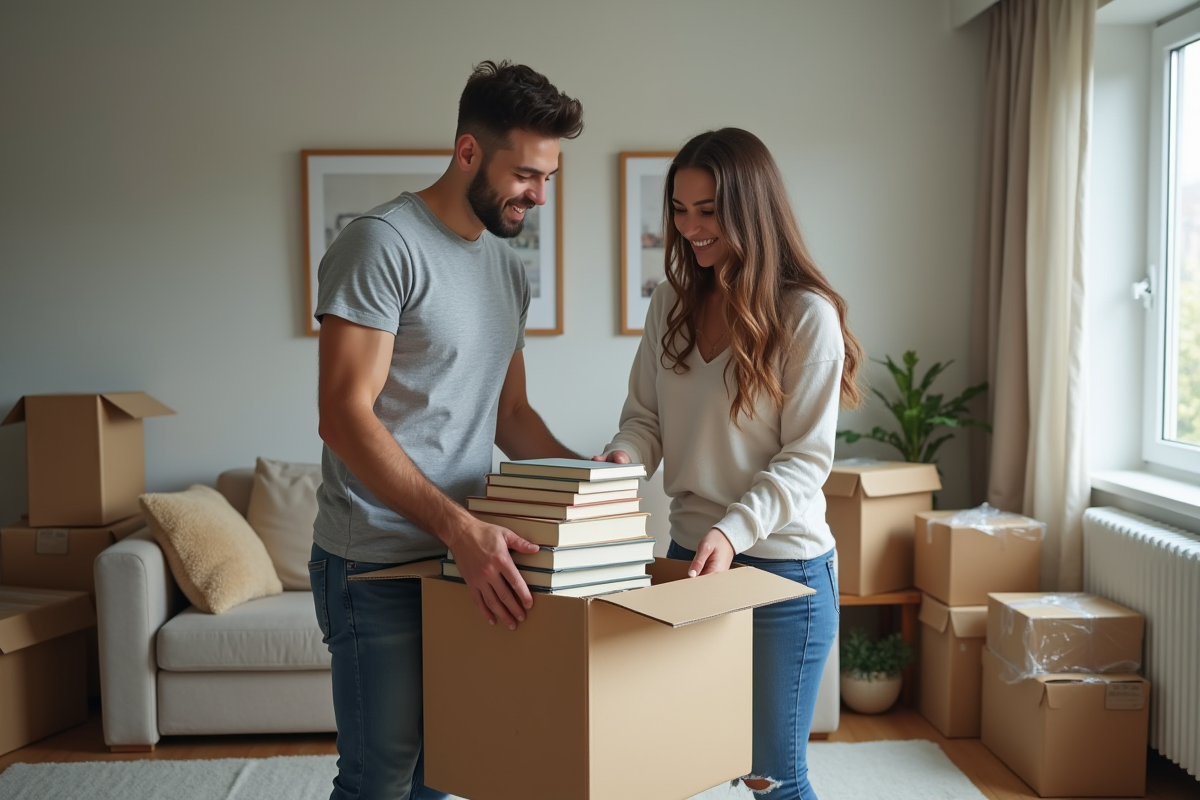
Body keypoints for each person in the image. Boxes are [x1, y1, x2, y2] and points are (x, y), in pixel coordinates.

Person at [309, 61, 583, 800]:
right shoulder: (382, 244)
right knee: (380, 780)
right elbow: (342, 416)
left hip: (466, 562)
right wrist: (459, 528)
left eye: (550, 176)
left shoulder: (506, 266)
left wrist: (595, 483)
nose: (539, 194)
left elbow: (513, 418)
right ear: (468, 152)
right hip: (376, 563)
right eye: (527, 174)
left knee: (449, 766)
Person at [595, 127, 862, 800]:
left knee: (770, 776)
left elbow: (804, 461)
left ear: (751, 208)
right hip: (690, 559)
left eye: (707, 210)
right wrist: (622, 460)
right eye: (680, 211)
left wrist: (730, 532)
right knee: (685, 761)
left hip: (781, 570)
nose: (690, 228)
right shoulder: (671, 304)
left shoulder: (807, 316)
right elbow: (645, 419)